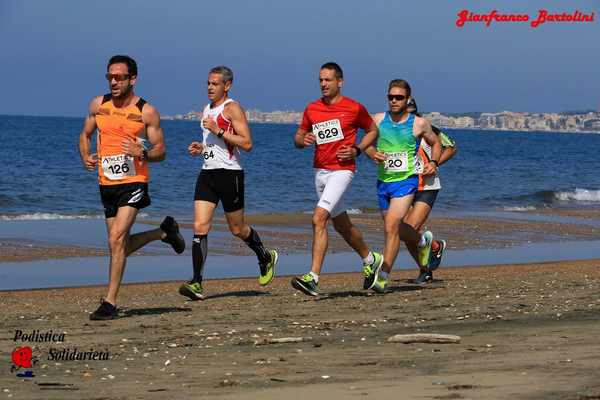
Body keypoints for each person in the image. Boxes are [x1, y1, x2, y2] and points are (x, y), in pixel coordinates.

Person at [78, 55, 185, 320]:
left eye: (119, 77)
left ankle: (110, 302)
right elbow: (85, 134)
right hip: (107, 184)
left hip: (134, 182)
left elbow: (162, 151)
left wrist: (143, 152)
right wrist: (85, 156)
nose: (113, 82)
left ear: (132, 79)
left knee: (114, 240)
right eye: (110, 77)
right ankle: (163, 232)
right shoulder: (98, 105)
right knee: (119, 244)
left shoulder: (146, 111)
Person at [178, 66, 278, 300]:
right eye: (208, 83)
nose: (210, 87)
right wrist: (201, 148)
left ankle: (265, 256)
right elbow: (215, 146)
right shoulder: (206, 109)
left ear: (227, 85)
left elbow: (247, 143)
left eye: (215, 84)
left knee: (237, 229)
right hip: (207, 173)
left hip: (230, 175)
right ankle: (196, 282)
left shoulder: (232, 108)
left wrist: (219, 130)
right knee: (200, 226)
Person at [290, 62, 383, 296]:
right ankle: (370, 259)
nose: (323, 84)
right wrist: (304, 139)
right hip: (319, 171)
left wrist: (358, 150)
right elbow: (298, 137)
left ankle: (313, 277)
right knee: (341, 224)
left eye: (328, 80)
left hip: (343, 170)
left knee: (318, 218)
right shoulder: (312, 109)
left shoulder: (353, 108)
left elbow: (373, 130)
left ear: (339, 81)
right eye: (320, 80)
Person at [363, 80, 442, 294]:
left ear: (407, 100)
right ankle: (423, 241)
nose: (394, 101)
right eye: (391, 97)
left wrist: (433, 163)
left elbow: (437, 143)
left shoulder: (419, 123)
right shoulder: (378, 120)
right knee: (395, 228)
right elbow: (366, 142)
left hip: (406, 181)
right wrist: (372, 153)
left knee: (391, 225)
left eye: (399, 97)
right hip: (383, 182)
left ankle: (383, 277)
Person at [395, 98, 457, 286]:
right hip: (405, 186)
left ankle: (432, 253)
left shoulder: (427, 128)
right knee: (404, 233)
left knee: (410, 230)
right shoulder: (396, 128)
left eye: (413, 111)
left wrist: (435, 164)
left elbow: (451, 147)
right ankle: (427, 267)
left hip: (427, 186)